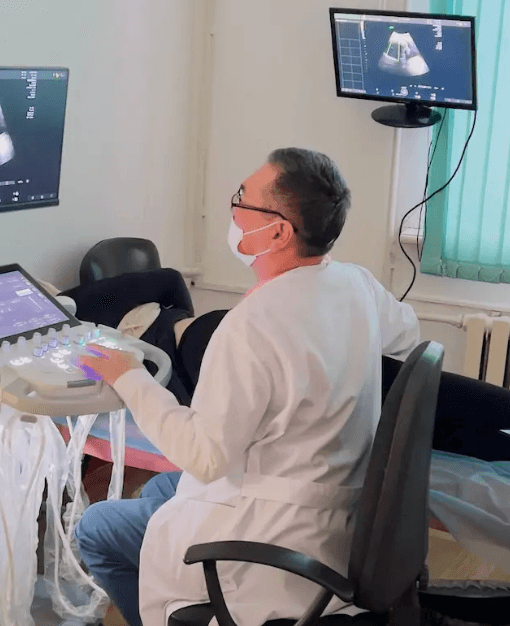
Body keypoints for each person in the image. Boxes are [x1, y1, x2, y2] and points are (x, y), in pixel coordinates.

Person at [75, 148, 420, 626]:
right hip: (335, 509)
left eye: (242, 198)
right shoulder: (355, 283)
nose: (233, 210)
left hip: (275, 542)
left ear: (278, 232)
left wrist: (128, 376)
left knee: (96, 528)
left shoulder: (252, 325)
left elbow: (205, 456)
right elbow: (408, 334)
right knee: (160, 487)